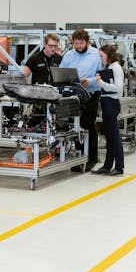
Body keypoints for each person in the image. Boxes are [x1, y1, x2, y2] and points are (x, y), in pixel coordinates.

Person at [60, 29, 102, 171]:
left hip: (91, 93)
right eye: (76, 43)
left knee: (88, 124)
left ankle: (91, 158)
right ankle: (79, 157)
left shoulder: (96, 54)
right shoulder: (68, 55)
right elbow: (61, 72)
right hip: (74, 94)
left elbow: (101, 74)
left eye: (81, 43)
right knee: (76, 126)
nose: (78, 46)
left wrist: (88, 81)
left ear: (87, 42)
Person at [93, 44, 126, 176]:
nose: (101, 59)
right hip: (107, 102)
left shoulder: (116, 68)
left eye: (102, 56)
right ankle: (107, 166)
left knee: (114, 137)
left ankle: (119, 166)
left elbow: (119, 89)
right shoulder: (110, 68)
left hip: (112, 103)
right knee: (109, 136)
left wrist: (102, 84)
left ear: (108, 55)